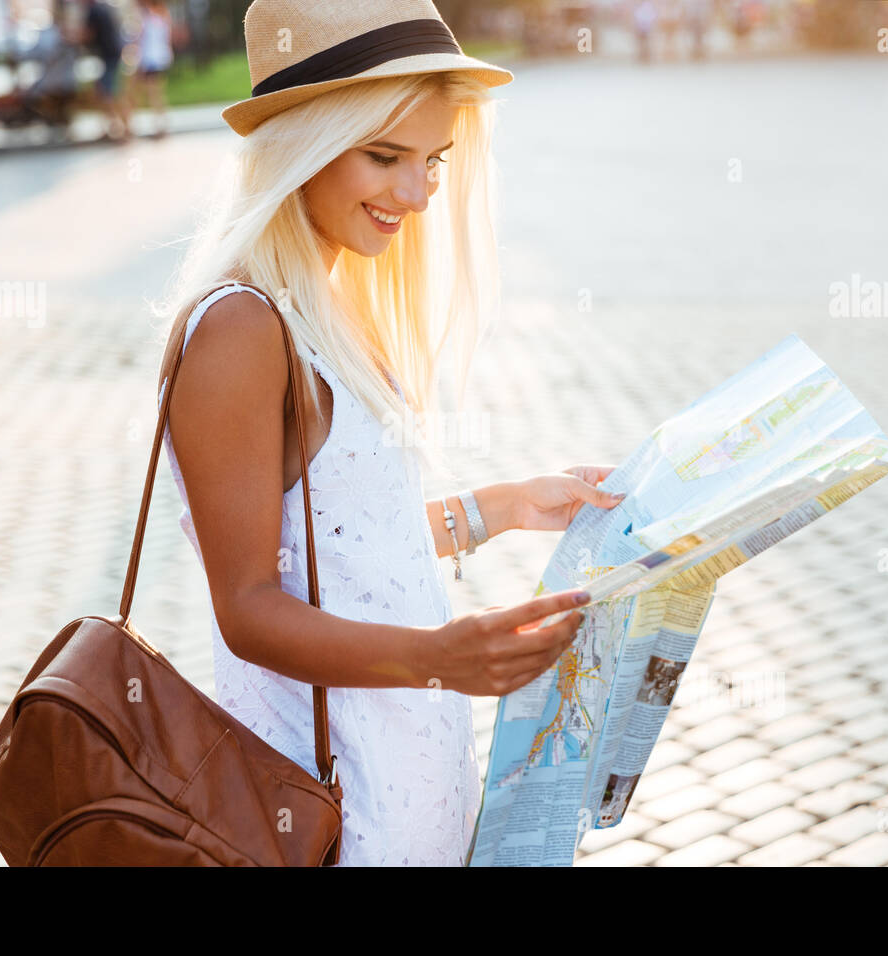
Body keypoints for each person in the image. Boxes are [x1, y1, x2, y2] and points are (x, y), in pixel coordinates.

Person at [151, 0, 624, 866]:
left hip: (407, 776)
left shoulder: (326, 304)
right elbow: (249, 608)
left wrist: (506, 505)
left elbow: (348, 546)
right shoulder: (240, 329)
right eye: (385, 156)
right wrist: (440, 659)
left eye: (434, 161)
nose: (417, 194)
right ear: (304, 140)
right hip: (326, 797)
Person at [81, 0, 132, 139]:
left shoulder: (93, 11)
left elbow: (88, 34)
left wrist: (72, 38)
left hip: (107, 56)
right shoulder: (105, 7)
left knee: (108, 93)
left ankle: (121, 128)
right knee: (108, 92)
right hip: (113, 54)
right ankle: (117, 127)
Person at [130, 0, 172, 137]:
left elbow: (141, 41)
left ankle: (159, 124)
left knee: (153, 93)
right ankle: (159, 123)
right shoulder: (161, 16)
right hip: (158, 59)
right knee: (153, 93)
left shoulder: (148, 19)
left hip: (151, 60)